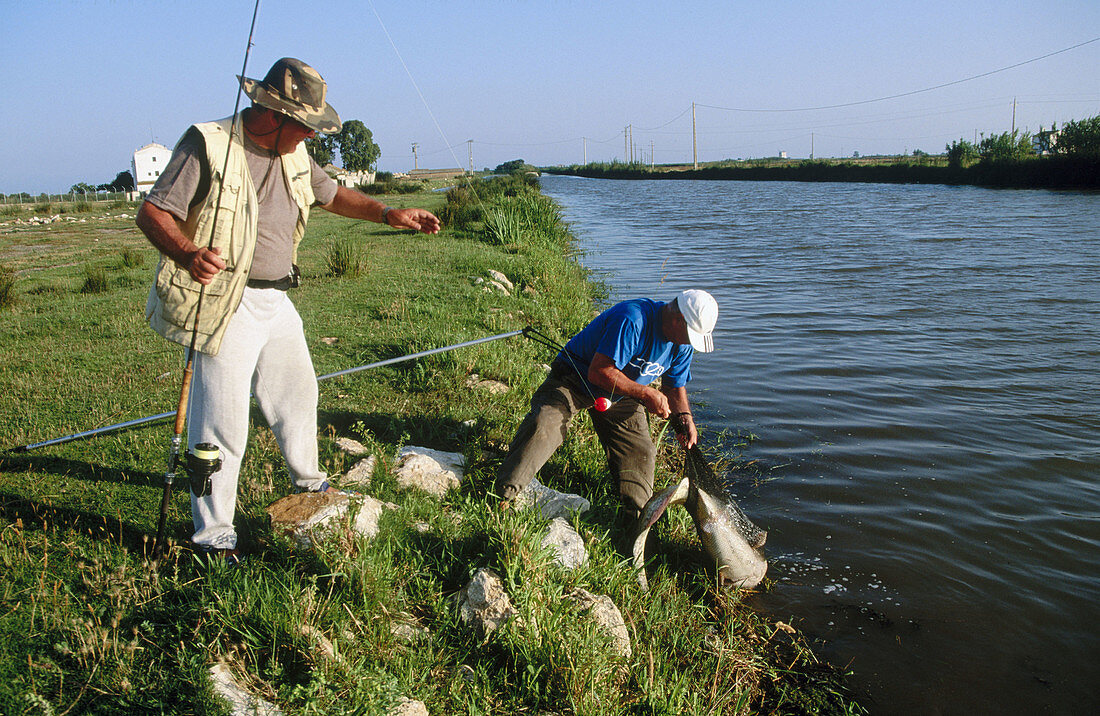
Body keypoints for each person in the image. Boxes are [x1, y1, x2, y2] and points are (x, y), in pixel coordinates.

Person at [136, 57, 440, 562]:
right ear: (274, 115)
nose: (311, 138)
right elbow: (153, 211)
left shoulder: (294, 153)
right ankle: (213, 536)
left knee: (298, 392)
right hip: (225, 303)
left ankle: (312, 484)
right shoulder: (209, 143)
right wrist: (188, 254)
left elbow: (333, 194)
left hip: (276, 298)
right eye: (306, 127)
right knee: (221, 425)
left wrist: (389, 212)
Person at [496, 290, 718, 523]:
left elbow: (674, 387)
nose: (689, 343)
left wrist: (685, 418)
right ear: (678, 318)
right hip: (574, 378)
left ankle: (636, 520)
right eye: (690, 335)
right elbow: (599, 371)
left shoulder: (682, 344)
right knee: (545, 426)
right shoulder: (633, 319)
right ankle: (503, 496)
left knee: (641, 451)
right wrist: (646, 392)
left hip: (622, 395)